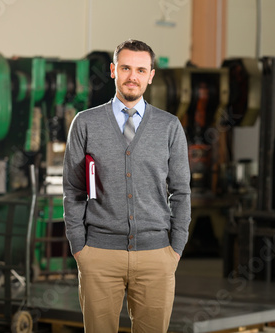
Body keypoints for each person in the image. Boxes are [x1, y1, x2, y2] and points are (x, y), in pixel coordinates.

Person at [63, 39, 191, 332]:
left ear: (151, 75)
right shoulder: (85, 123)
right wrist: (79, 247)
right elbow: (73, 189)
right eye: (126, 68)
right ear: (113, 71)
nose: (133, 76)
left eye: (141, 69)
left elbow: (181, 192)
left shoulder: (169, 127)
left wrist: (176, 248)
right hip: (98, 254)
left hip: (157, 256)